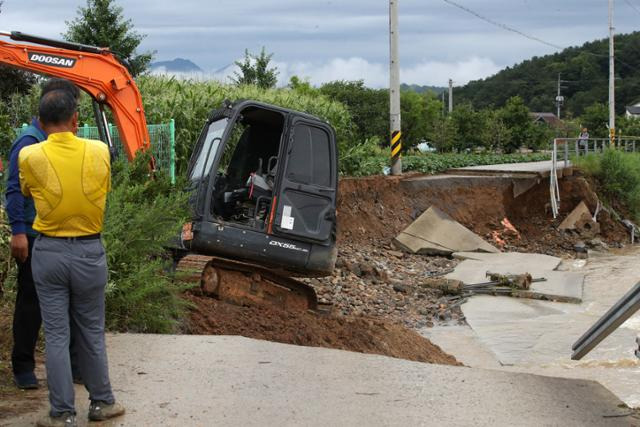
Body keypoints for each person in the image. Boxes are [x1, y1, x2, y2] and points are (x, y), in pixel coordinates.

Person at [19, 88, 124, 426]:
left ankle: (62, 413)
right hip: (90, 251)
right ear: (76, 119)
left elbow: (25, 191)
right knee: (91, 331)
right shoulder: (99, 151)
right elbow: (102, 189)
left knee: (56, 335)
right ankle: (102, 403)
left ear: (41, 120)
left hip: (48, 252)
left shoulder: (29, 156)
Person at [5, 79, 80, 390]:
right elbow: (13, 191)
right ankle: (22, 366)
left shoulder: (56, 143)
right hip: (35, 237)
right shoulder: (28, 143)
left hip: (61, 235)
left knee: (72, 303)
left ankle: (74, 367)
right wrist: (19, 232)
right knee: (31, 303)